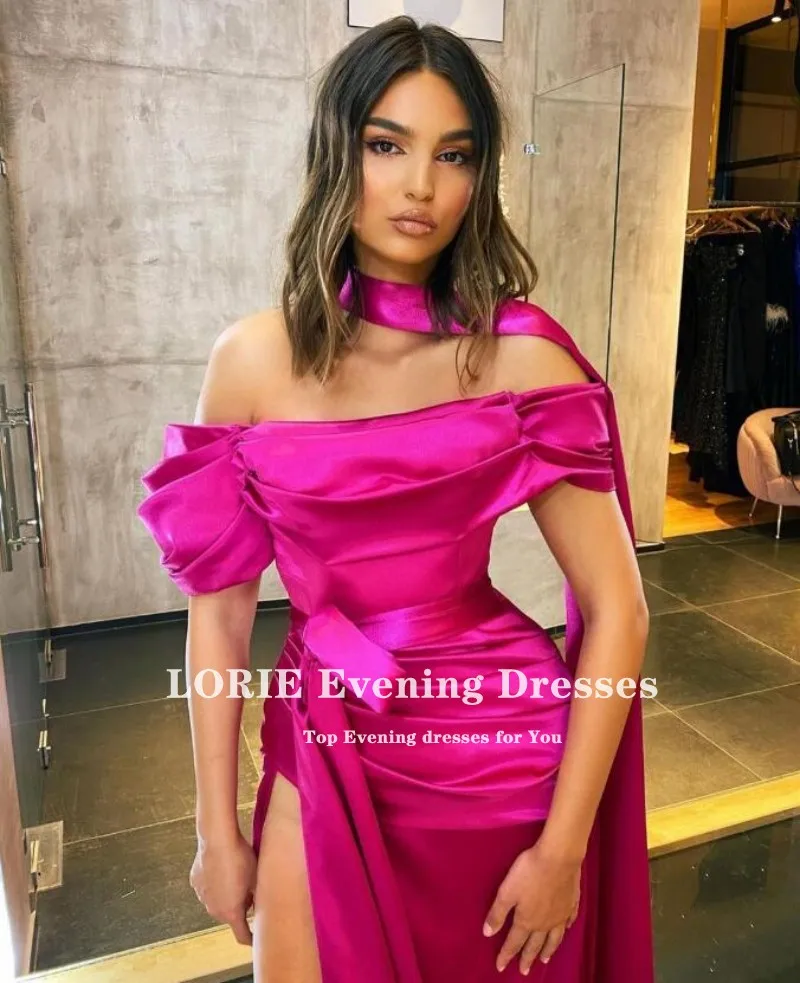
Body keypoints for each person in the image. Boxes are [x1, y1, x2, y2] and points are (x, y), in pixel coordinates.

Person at [137, 15, 654, 983]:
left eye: (452, 154)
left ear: (478, 177)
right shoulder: (250, 362)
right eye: (387, 145)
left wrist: (563, 848)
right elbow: (220, 617)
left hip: (498, 755)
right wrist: (214, 830)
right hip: (324, 736)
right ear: (337, 152)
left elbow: (619, 607)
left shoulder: (520, 358)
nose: (420, 185)